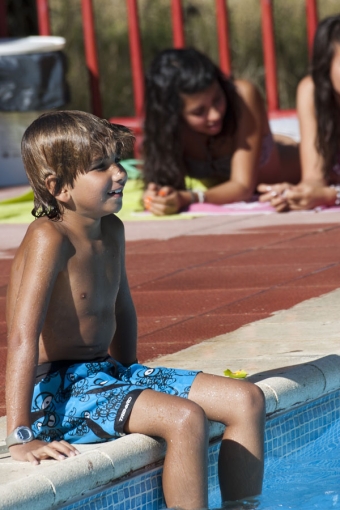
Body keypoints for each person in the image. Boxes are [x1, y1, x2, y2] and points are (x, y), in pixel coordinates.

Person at [5, 110, 265, 509]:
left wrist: (134, 379)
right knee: (185, 418)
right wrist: (21, 433)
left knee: (247, 399)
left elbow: (122, 310)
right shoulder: (48, 237)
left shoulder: (112, 229)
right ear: (58, 187)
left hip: (107, 374)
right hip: (58, 391)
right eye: (100, 166)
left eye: (117, 161)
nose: (120, 173)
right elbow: (22, 335)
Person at [142, 47, 300, 216]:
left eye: (217, 99)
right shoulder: (168, 129)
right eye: (199, 112)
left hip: (296, 138)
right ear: (173, 115)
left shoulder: (242, 97)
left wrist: (190, 198)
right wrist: (156, 197)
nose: (215, 115)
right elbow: (161, 183)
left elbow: (243, 187)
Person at [258, 14, 340, 212]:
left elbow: (326, 192)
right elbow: (314, 177)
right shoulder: (312, 91)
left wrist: (332, 196)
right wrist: (297, 193)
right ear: (326, 65)